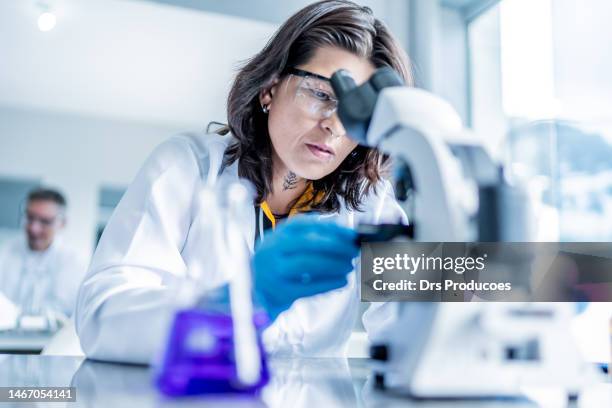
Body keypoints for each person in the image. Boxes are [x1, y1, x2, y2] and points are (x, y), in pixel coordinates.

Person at [76, 0, 411, 364]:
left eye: (355, 110)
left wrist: (470, 274)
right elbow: (104, 315)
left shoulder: (370, 202)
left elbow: (416, 320)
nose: (336, 124)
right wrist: (230, 302)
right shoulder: (187, 166)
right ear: (270, 87)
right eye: (320, 94)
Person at [0, 188, 87, 327]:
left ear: (62, 223)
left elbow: (65, 314)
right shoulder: (5, 251)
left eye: (45, 221)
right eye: (30, 217)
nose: (34, 228)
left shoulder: (73, 262)